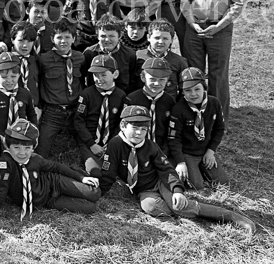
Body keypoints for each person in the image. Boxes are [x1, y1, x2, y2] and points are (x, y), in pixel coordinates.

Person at [99, 105, 255, 233]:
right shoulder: (115, 145)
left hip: (161, 182)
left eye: (144, 129)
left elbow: (166, 169)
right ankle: (178, 210)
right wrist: (99, 192)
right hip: (144, 189)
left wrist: (177, 191)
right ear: (123, 126)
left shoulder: (150, 145)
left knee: (179, 205)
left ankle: (230, 215)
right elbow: (108, 172)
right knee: (150, 206)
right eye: (135, 127)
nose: (139, 133)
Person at [180, 0, 248, 121]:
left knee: (219, 76)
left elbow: (238, 3)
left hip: (220, 29)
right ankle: (194, 116)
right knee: (194, 74)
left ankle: (218, 119)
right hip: (195, 29)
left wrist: (219, 26)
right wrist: (192, 24)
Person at [0, 119, 100, 222]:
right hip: (47, 200)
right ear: (8, 146)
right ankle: (71, 193)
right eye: (16, 148)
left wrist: (82, 178)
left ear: (33, 147)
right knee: (90, 207)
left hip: (55, 182)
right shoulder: (4, 164)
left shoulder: (35, 158)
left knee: (94, 193)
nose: (22, 153)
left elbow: (56, 167)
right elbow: (1, 190)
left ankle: (77, 175)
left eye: (27, 148)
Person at [168, 67, 228, 190]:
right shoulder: (178, 109)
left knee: (223, 183)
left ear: (204, 88)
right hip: (187, 153)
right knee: (196, 186)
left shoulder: (214, 103)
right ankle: (192, 169)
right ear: (182, 91)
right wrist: (180, 162)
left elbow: (219, 129)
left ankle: (201, 168)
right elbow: (174, 139)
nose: (193, 94)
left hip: (205, 150)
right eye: (188, 90)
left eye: (197, 89)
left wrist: (211, 151)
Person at [35, 21, 84, 158]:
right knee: (41, 151)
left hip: (75, 111)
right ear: (52, 39)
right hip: (53, 112)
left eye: (67, 37)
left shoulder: (80, 58)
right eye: (59, 37)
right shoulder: (44, 60)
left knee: (87, 144)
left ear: (74, 38)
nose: (63, 41)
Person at [74, 55, 126, 177]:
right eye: (95, 75)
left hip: (111, 142)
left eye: (103, 75)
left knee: (115, 170)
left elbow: (121, 123)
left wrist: (112, 143)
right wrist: (91, 144)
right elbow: (78, 121)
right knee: (95, 172)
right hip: (89, 141)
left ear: (115, 74)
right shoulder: (86, 95)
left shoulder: (121, 96)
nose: (99, 79)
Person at [0, 21, 40, 109]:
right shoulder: (3, 58)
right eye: (21, 40)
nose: (25, 45)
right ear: (12, 40)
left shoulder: (35, 61)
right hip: (6, 108)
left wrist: (38, 106)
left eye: (29, 41)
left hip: (30, 109)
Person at [125, 57, 174, 156]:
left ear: (167, 80)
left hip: (162, 150)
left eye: (162, 80)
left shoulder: (170, 101)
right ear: (142, 77)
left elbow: (170, 130)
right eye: (152, 79)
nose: (157, 83)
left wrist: (165, 152)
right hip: (135, 149)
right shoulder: (131, 99)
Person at [0, 52, 37, 135]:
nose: (9, 80)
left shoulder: (25, 94)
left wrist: (32, 134)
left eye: (13, 76)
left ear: (19, 75)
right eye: (4, 77)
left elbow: (31, 115)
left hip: (20, 141)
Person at [82, 15, 139, 95]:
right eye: (103, 36)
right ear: (97, 35)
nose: (107, 40)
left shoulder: (130, 54)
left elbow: (133, 81)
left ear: (120, 35)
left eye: (111, 36)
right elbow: (82, 79)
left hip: (121, 99)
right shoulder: (89, 53)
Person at [136, 18, 189, 99]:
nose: (160, 42)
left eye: (165, 38)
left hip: (168, 106)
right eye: (157, 38)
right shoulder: (137, 56)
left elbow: (184, 89)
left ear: (171, 40)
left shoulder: (180, 61)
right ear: (148, 37)